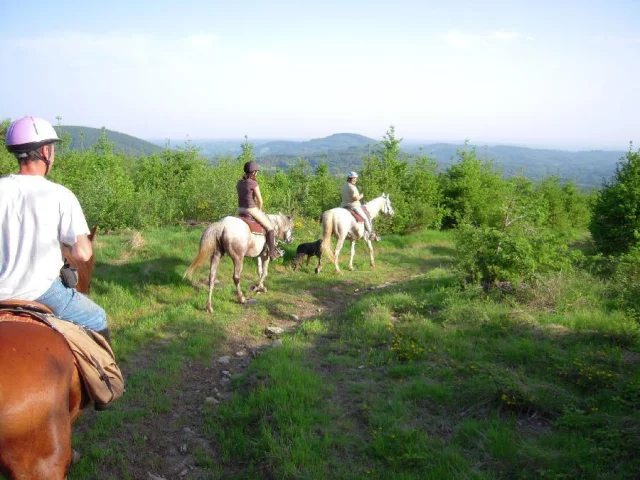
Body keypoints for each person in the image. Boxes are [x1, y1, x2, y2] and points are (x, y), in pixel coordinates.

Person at [0, 116, 111, 345]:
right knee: (98, 317)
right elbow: (82, 254)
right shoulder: (60, 195)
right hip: (43, 293)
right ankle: (107, 381)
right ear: (45, 151)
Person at [237, 161, 283, 259]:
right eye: (256, 171)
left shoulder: (239, 182)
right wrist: (260, 210)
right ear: (253, 172)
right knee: (270, 228)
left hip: (240, 210)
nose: (257, 173)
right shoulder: (253, 183)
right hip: (250, 209)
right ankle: (271, 253)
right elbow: (260, 201)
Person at [341, 171, 378, 240]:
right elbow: (356, 198)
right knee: (366, 218)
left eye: (355, 178)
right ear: (349, 178)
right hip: (353, 206)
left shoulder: (344, 185)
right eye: (353, 178)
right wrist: (361, 195)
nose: (355, 180)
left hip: (344, 206)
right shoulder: (352, 187)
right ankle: (371, 234)